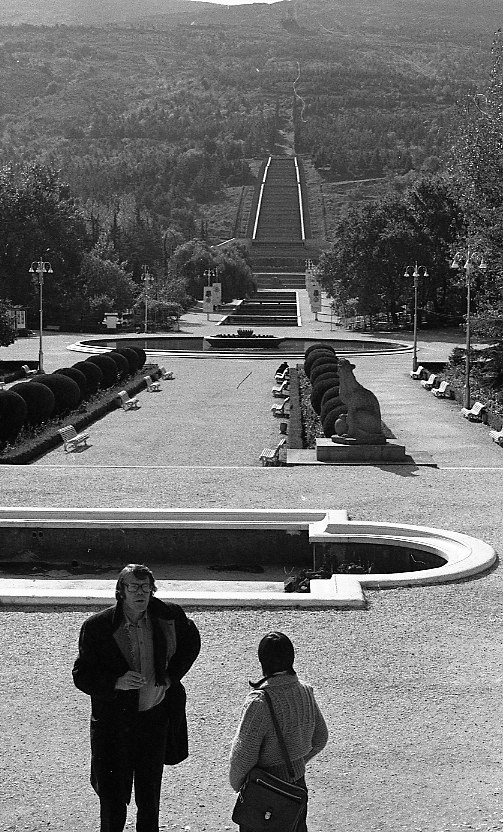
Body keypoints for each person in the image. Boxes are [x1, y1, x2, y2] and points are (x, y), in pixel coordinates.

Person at [72, 563, 201, 832]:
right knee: (112, 800)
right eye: (134, 587)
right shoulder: (97, 627)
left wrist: (171, 675)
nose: (141, 593)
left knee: (149, 797)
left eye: (146, 587)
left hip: (153, 721)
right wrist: (115, 682)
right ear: (121, 591)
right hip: (113, 726)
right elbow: (81, 675)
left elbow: (191, 642)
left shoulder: (168, 616)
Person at [229, 631, 328, 832]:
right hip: (297, 787)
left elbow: (243, 756)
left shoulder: (259, 702)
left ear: (262, 660)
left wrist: (239, 784)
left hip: (263, 791)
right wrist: (294, 762)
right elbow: (320, 738)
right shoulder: (305, 691)